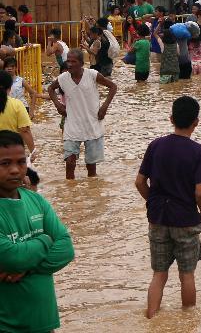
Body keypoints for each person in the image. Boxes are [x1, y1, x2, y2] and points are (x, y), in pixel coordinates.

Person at [135, 96, 201, 319]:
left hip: (158, 218)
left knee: (159, 274)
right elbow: (200, 192)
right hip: (186, 219)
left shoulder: (155, 146)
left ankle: (151, 317)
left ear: (171, 118)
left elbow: (140, 182)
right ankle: (187, 321)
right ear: (196, 122)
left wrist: (152, 203)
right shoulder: (199, 152)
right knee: (186, 274)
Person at [0, 130, 75, 333]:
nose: (15, 170)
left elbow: (67, 249)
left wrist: (27, 268)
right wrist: (45, 239)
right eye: (5, 163)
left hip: (44, 321)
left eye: (21, 162)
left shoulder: (36, 200)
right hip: (7, 324)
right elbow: (11, 257)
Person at [47, 49, 117, 179]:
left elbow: (113, 87)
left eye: (73, 61)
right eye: (68, 61)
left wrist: (104, 107)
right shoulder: (63, 78)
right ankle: (70, 193)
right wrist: (57, 105)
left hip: (92, 124)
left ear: (81, 63)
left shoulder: (92, 75)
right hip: (72, 126)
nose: (70, 64)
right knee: (69, 162)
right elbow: (50, 88)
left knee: (91, 167)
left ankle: (91, 192)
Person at [0, 70, 34, 152]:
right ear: (10, 87)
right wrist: (33, 151)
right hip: (10, 150)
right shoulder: (17, 104)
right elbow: (25, 130)